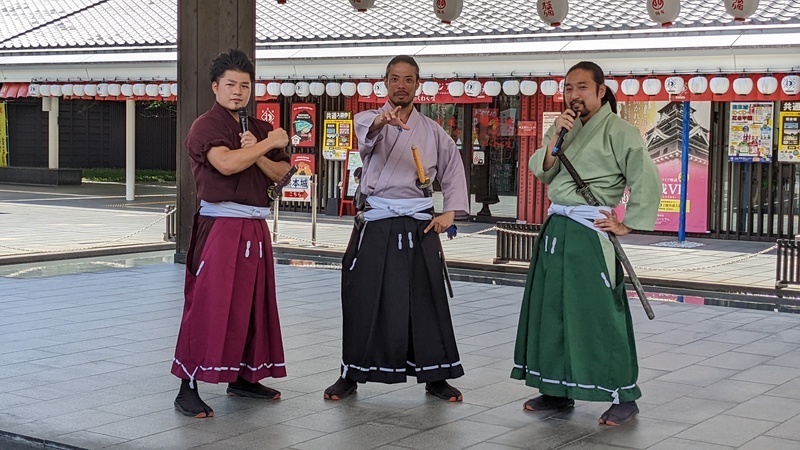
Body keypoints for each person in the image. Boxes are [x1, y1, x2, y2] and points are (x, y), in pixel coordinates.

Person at [510, 61, 662, 426]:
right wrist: (556, 137)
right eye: (568, 88)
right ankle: (556, 389)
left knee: (599, 315)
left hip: (589, 230)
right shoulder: (563, 126)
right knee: (552, 311)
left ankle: (623, 394)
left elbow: (646, 176)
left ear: (600, 91)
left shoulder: (620, 130)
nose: (574, 95)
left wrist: (628, 224)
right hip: (558, 228)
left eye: (581, 87)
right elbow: (542, 169)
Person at [324, 55, 469, 402]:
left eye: (408, 79)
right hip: (378, 221)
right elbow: (366, 137)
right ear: (385, 83)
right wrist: (380, 124)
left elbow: (452, 171)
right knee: (363, 297)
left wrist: (451, 212)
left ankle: (436, 376)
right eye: (394, 79)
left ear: (418, 84)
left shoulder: (433, 131)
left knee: (426, 300)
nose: (401, 85)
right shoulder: (368, 119)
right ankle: (351, 373)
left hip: (419, 224)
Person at [171, 49, 291, 418]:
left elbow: (280, 174)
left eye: (244, 85)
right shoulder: (206, 125)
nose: (238, 91)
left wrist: (257, 151)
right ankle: (186, 385)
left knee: (254, 306)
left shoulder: (255, 128)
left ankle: (244, 377)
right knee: (208, 304)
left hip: (255, 226)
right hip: (221, 226)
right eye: (230, 85)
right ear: (215, 87)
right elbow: (224, 163)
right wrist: (270, 144)